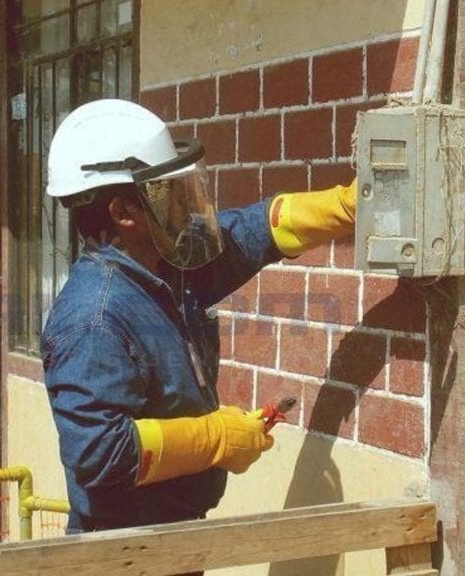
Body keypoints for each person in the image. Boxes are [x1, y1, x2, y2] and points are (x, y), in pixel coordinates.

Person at [41, 99, 356, 538]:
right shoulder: (94, 317)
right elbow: (98, 452)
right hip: (122, 551)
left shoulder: (168, 268)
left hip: (173, 536)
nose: (182, 205)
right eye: (166, 191)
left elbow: (249, 232)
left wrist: (351, 204)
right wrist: (216, 439)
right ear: (124, 213)